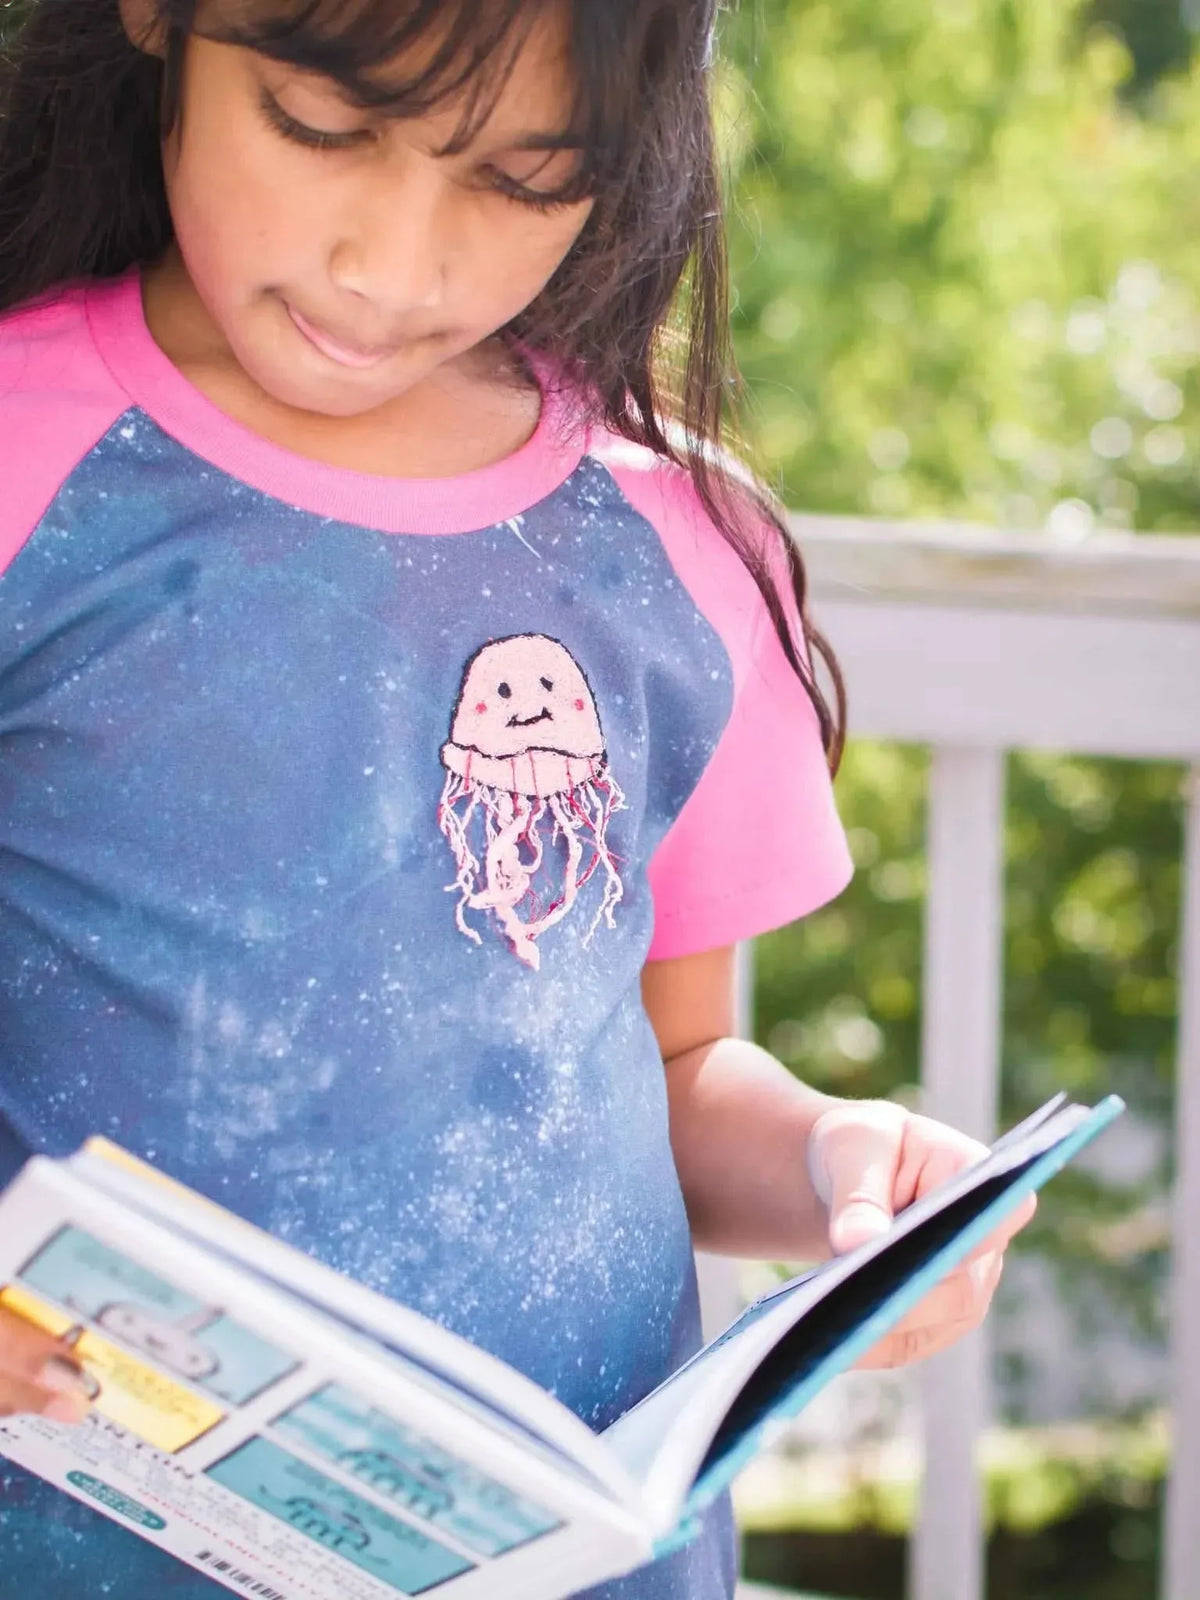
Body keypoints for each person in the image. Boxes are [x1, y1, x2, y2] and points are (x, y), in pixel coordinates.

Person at [0, 1, 1033, 1595]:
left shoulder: (675, 539)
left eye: (517, 177)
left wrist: (849, 1164)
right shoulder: (27, 453)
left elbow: (674, 1071)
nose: (391, 266)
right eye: (322, 129)